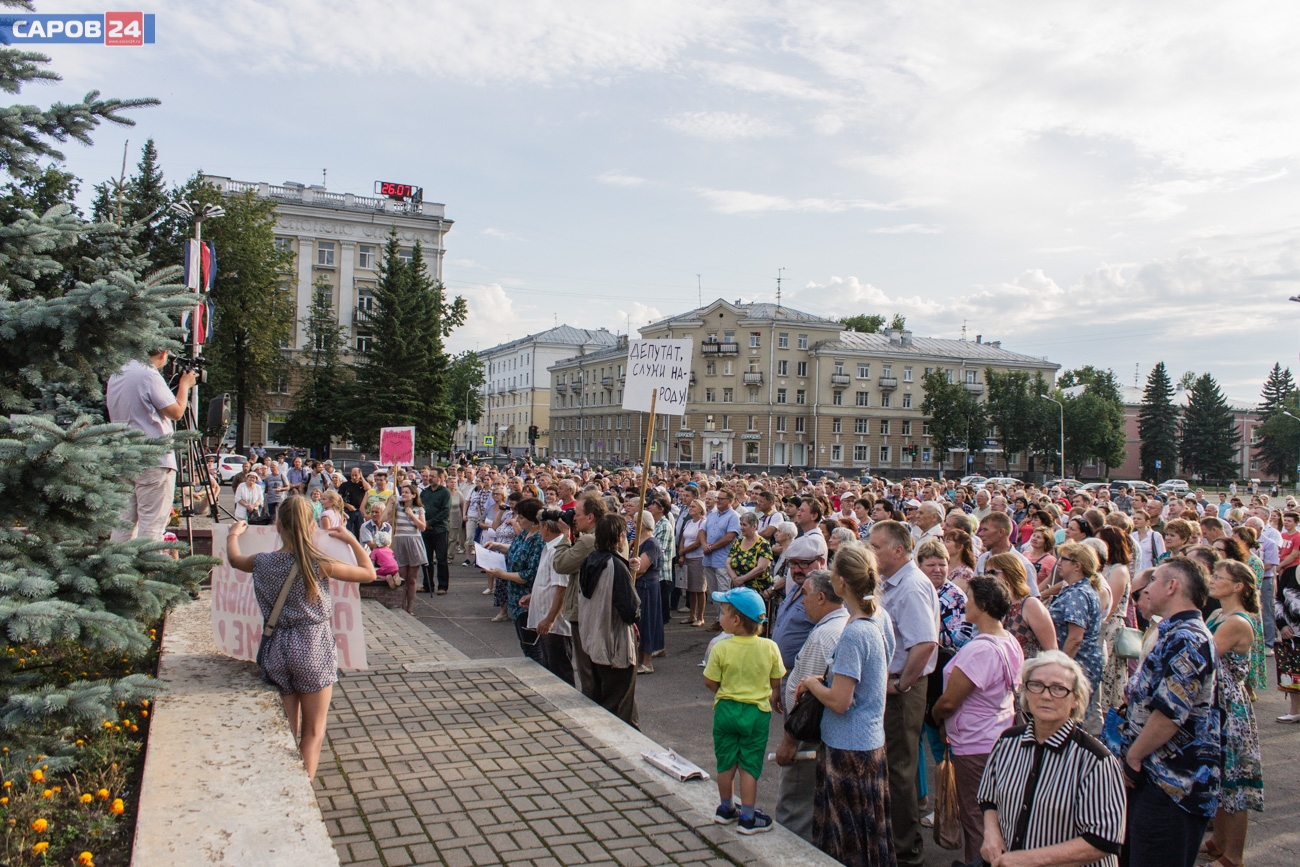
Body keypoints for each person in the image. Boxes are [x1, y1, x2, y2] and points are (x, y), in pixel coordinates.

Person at [223, 497, 376, 779]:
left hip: (276, 647)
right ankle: (301, 788)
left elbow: (234, 559)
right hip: (313, 647)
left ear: (277, 526)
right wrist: (352, 540)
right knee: (313, 732)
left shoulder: (262, 562)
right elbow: (368, 574)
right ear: (311, 527)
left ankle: (280, 781)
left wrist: (233, 534)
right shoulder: (318, 563)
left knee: (285, 731)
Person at [795, 544, 897, 867]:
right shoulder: (878, 617)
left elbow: (841, 701)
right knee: (868, 832)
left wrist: (813, 684)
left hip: (848, 747)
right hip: (868, 741)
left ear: (840, 582)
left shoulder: (855, 632)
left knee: (848, 839)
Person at [977, 651, 1127, 867]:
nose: (1046, 696)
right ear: (1026, 692)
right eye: (1036, 685)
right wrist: (991, 834)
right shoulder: (1007, 742)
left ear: (1076, 699)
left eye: (1058, 688)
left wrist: (1027, 860)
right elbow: (988, 798)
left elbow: (1103, 841)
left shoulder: (1096, 761)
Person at [1119, 558, 1221, 867]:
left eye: (1153, 582)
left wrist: (1133, 757)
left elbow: (1169, 714)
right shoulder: (1173, 632)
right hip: (1158, 779)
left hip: (1172, 785)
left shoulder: (1187, 638)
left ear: (1172, 586)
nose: (1146, 590)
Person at [931, 574, 1023, 865]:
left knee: (977, 819)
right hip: (997, 734)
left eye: (969, 599)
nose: (964, 604)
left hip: (975, 742)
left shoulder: (980, 650)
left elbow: (950, 701)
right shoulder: (1008, 640)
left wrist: (935, 714)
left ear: (982, 606)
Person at [867, 521, 938, 867]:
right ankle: (890, 841)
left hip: (902, 688)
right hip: (892, 683)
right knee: (890, 765)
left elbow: (924, 644)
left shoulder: (910, 587)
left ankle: (905, 851)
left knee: (899, 769)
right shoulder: (892, 581)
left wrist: (901, 684)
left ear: (897, 550)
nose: (870, 551)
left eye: (876, 546)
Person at [773, 569, 848, 843]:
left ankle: (790, 851)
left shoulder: (824, 636)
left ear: (821, 597)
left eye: (805, 594)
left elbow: (809, 703)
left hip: (807, 735)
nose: (801, 601)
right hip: (823, 733)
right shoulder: (841, 624)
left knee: (795, 803)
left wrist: (790, 741)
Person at [704, 586, 785, 836]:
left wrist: (723, 689)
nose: (720, 617)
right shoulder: (770, 647)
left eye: (723, 612)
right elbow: (776, 680)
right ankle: (748, 816)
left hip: (726, 709)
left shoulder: (721, 647)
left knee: (726, 761)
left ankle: (726, 808)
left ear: (736, 620)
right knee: (749, 764)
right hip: (756, 713)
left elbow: (710, 681)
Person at [1201, 560, 1263, 867]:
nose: (1212, 580)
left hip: (1230, 707)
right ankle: (1219, 841)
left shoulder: (1237, 621)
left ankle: (1233, 856)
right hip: (1217, 703)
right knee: (1221, 776)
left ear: (1238, 586)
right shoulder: (1217, 614)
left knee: (1236, 782)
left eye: (1219, 577)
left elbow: (1204, 655)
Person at [106, 350, 199, 542]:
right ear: (164, 353)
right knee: (152, 527)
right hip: (153, 458)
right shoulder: (149, 373)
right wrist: (184, 385)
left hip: (122, 456)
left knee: (122, 525)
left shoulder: (117, 372)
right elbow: (176, 412)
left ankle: (116, 561)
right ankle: (147, 562)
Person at [577, 513, 640, 726]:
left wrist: (627, 566)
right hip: (614, 645)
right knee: (617, 706)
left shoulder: (590, 560)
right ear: (620, 537)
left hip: (594, 641)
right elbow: (630, 610)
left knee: (612, 700)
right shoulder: (614, 566)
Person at [1049, 542, 1105, 732]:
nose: (1058, 563)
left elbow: (1075, 638)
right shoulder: (1078, 589)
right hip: (1080, 663)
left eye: (1063, 559)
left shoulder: (1078, 594)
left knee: (1069, 722)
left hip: (1078, 664)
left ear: (1077, 566)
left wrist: (1060, 668)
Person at [483, 498, 546, 663]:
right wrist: (498, 546)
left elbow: (529, 575)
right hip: (515, 598)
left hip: (527, 600)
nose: (517, 520)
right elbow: (517, 549)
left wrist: (502, 575)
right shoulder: (526, 533)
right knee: (525, 645)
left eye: (522, 518)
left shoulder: (539, 540)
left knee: (533, 647)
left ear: (534, 520)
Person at [528, 508, 574, 685]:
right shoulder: (549, 548)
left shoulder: (558, 550)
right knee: (550, 668)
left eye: (539, 526)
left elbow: (562, 588)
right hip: (546, 619)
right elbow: (548, 583)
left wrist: (550, 619)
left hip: (555, 626)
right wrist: (533, 596)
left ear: (546, 526)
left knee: (560, 671)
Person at [629, 510, 665, 674]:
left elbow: (641, 568)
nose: (633, 524)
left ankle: (647, 661)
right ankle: (638, 658)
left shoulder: (651, 543)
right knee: (638, 622)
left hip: (646, 587)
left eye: (636, 522)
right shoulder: (638, 541)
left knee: (647, 621)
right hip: (638, 585)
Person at [382, 482, 427, 614]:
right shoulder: (397, 507)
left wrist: (412, 515)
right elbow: (383, 518)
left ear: (413, 495)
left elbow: (422, 527)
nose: (404, 494)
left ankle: (410, 607)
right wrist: (390, 503)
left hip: (414, 541)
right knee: (402, 576)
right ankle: (401, 606)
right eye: (402, 492)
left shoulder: (419, 509)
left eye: (407, 492)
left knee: (412, 578)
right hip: (400, 540)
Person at [702, 489, 742, 630]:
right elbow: (702, 531)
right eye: (717, 498)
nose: (718, 501)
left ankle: (727, 622)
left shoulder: (734, 517)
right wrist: (704, 544)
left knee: (724, 592)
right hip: (709, 559)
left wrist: (712, 547)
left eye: (721, 499)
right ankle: (720, 620)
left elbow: (730, 536)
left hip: (723, 560)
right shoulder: (712, 515)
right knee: (714, 593)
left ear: (730, 501)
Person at [419, 468, 451, 595]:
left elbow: (445, 511)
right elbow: (419, 507)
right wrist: (424, 523)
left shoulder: (445, 492)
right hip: (426, 530)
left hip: (440, 529)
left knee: (441, 559)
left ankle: (442, 586)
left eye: (432, 476)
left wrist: (431, 522)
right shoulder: (425, 492)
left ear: (440, 478)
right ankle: (427, 585)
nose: (429, 478)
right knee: (426, 559)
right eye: (428, 476)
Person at [677, 499, 708, 626]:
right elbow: (683, 539)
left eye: (693, 507)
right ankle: (692, 615)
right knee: (690, 588)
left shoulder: (703, 522)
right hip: (687, 557)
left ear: (700, 509)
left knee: (699, 589)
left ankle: (700, 617)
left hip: (698, 557)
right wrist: (682, 554)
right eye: (690, 506)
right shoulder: (689, 522)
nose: (690, 508)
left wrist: (683, 551)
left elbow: (698, 543)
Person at [727, 511, 774, 594]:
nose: (741, 528)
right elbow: (728, 563)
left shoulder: (763, 544)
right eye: (741, 524)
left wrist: (742, 579)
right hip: (737, 587)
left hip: (756, 590)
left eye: (744, 525)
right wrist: (735, 579)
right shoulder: (738, 542)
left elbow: (761, 568)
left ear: (754, 527)